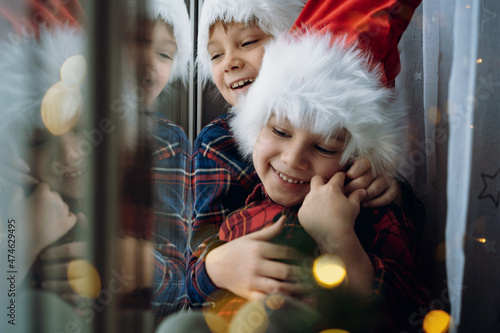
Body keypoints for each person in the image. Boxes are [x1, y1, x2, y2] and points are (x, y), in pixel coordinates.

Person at [187, 30, 429, 333]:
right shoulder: (245, 210)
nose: (292, 159)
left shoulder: (377, 217)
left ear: (356, 160)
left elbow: (407, 312)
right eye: (279, 132)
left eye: (324, 148)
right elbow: (195, 285)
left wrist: (337, 237)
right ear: (254, 133)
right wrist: (217, 267)